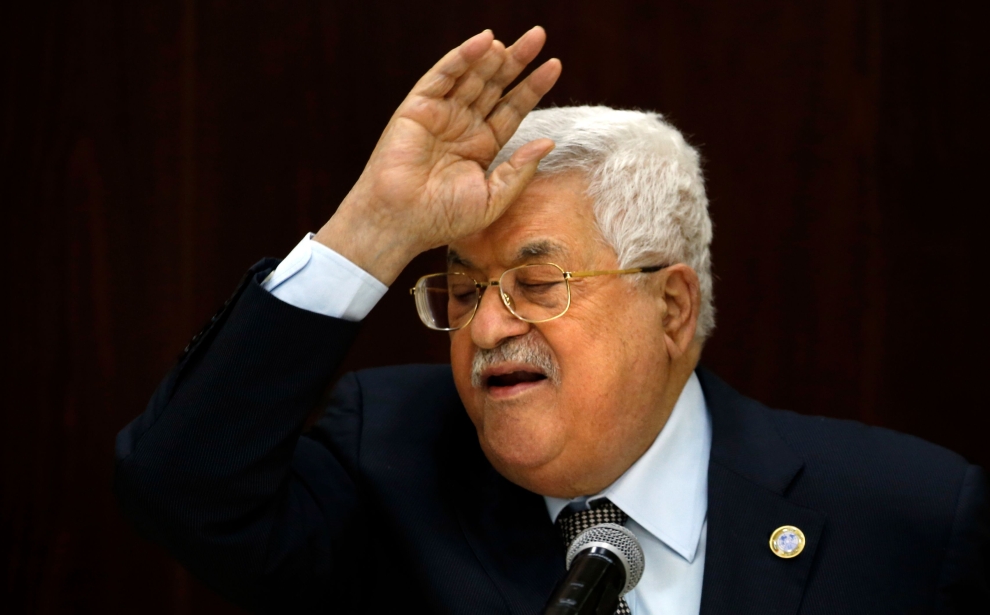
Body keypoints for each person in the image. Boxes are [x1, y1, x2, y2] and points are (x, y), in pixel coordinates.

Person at [114, 26, 988, 614]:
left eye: (538, 284)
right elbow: (180, 482)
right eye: (463, 292)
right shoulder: (389, 462)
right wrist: (374, 229)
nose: (489, 328)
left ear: (672, 306)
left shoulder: (910, 516)